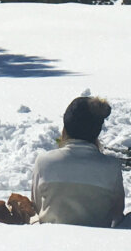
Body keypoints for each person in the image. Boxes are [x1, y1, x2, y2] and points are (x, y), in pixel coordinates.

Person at [28, 95, 124, 227]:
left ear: (66, 127)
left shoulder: (44, 162)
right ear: (97, 131)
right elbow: (117, 214)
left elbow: (37, 206)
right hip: (99, 243)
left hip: (50, 241)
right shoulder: (112, 167)